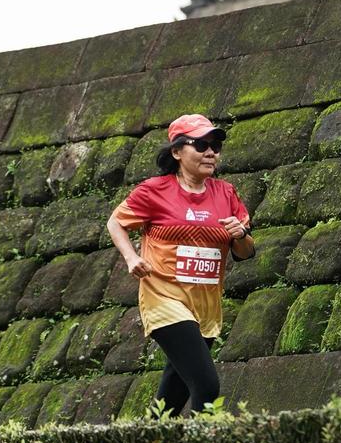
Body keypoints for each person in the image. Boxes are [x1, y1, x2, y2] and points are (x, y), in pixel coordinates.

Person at [105, 113, 255, 415]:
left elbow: (244, 252)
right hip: (164, 299)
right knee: (206, 385)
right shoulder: (155, 191)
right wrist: (132, 257)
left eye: (215, 145)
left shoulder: (226, 194)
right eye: (200, 145)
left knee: (170, 401)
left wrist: (239, 235)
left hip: (205, 304)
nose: (210, 152)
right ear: (177, 152)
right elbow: (115, 222)